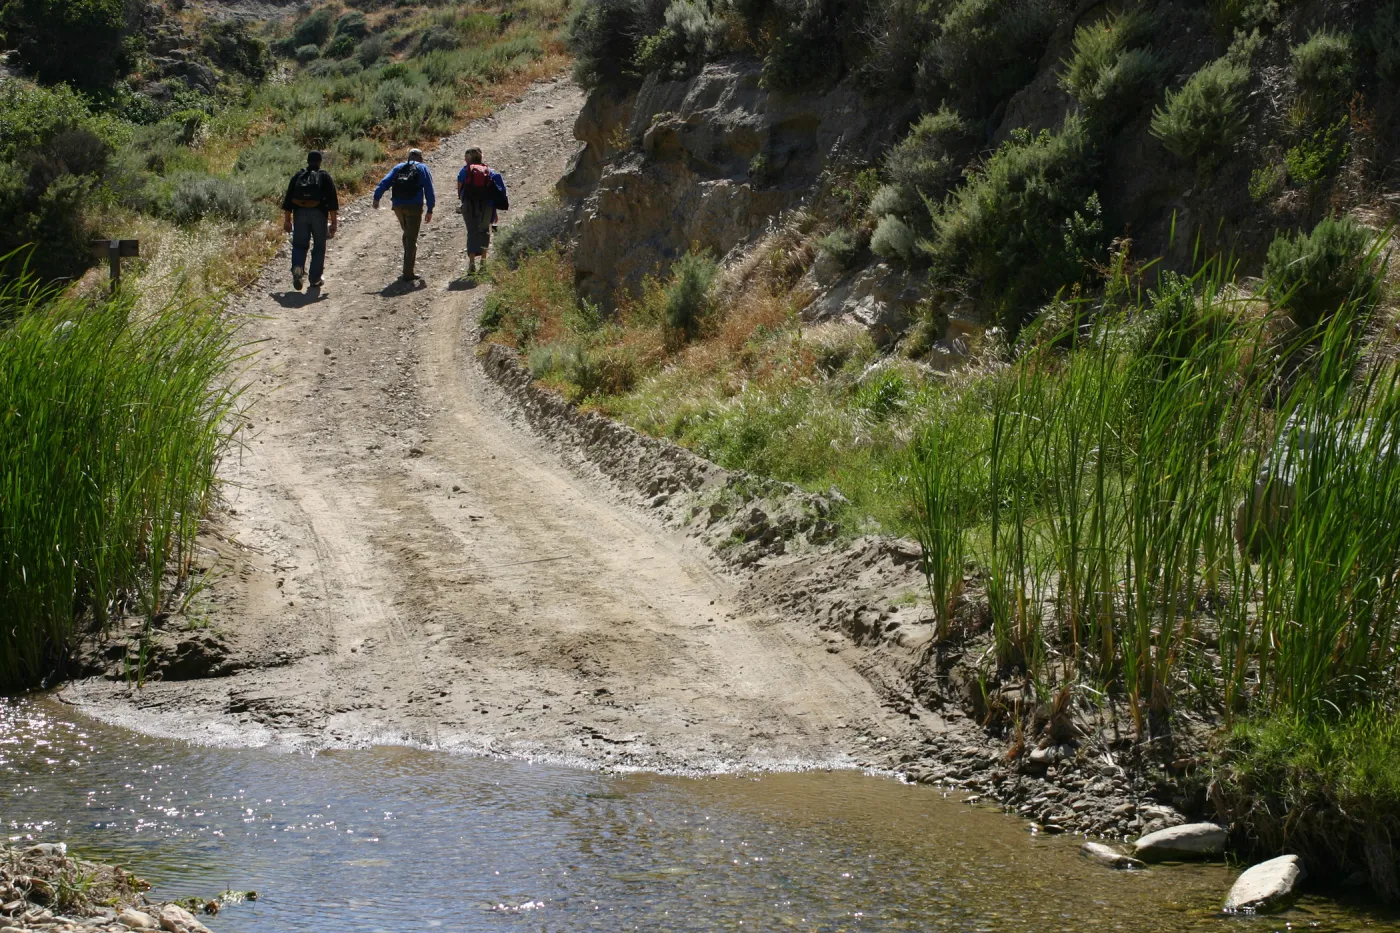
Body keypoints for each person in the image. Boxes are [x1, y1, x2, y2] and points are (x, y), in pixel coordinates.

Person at [373, 148, 435, 282]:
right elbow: (429, 189)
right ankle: (408, 273)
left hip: (398, 206)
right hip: (414, 206)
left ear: (409, 157)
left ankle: (408, 261)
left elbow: (385, 182)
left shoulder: (399, 167)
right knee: (411, 239)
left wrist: (377, 197)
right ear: (421, 158)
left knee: (407, 233)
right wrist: (430, 208)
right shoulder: (423, 168)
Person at [281, 150, 339, 291]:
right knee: (319, 246)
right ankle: (315, 279)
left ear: (307, 161)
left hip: (299, 214)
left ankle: (298, 268)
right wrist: (333, 223)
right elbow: (332, 202)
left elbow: (288, 201)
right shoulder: (324, 176)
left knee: (299, 245)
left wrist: (287, 220)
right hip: (319, 215)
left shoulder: (298, 176)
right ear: (320, 162)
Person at [456, 147, 508, 275]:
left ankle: (472, 264)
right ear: (481, 157)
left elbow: (459, 190)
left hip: (469, 205)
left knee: (472, 232)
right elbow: (497, 192)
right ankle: (483, 264)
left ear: (468, 159)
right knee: (484, 231)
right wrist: (494, 212)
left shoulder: (464, 171)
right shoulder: (489, 171)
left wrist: (464, 202)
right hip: (486, 206)